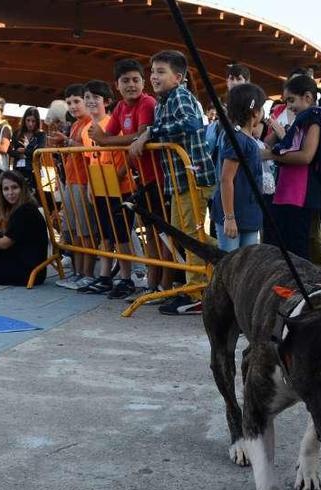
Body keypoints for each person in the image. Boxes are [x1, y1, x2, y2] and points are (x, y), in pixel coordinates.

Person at [129, 50, 217, 316]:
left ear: (178, 77)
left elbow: (190, 123)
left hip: (193, 178)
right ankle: (225, 257)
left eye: (161, 72)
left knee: (189, 234)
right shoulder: (162, 102)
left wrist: (150, 133)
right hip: (178, 182)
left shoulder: (179, 96)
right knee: (184, 233)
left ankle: (197, 291)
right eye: (153, 71)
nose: (154, 76)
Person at [90, 58, 166, 302]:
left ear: (144, 82)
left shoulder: (147, 102)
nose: (131, 85)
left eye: (136, 80)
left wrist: (104, 141)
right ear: (117, 85)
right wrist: (105, 140)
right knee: (150, 234)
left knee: (161, 234)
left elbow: (141, 134)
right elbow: (111, 134)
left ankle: (162, 286)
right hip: (143, 179)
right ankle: (152, 285)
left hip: (159, 178)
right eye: (126, 81)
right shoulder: (121, 107)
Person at [263, 75, 321, 259]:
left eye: (291, 100)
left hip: (300, 193)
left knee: (297, 248)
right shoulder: (301, 120)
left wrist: (271, 154)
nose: (289, 106)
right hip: (285, 191)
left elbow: (306, 156)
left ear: (307, 97)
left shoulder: (314, 120)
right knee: (279, 246)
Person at [78, 79, 138, 299]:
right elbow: (89, 160)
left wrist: (118, 176)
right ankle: (104, 276)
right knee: (105, 234)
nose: (91, 102)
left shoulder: (115, 123)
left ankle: (126, 277)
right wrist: (90, 187)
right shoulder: (86, 130)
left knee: (121, 234)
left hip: (121, 187)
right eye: (88, 98)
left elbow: (129, 155)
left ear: (107, 101)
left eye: (96, 98)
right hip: (100, 186)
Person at [53, 84, 97, 291]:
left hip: (83, 181)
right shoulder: (76, 124)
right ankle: (78, 273)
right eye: (69, 102)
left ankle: (88, 274)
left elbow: (88, 150)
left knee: (85, 231)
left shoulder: (90, 124)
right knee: (74, 232)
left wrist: (68, 142)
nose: (72, 106)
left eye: (76, 101)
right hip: (71, 181)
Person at [214, 83, 266, 251]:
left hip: (248, 213)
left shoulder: (245, 138)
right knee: (231, 264)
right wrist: (229, 217)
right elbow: (226, 179)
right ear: (255, 112)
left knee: (247, 263)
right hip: (234, 214)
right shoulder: (237, 139)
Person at [9, 106, 45, 190]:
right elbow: (10, 151)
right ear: (24, 120)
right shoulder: (17, 133)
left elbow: (39, 152)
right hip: (18, 169)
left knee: (32, 195)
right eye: (28, 120)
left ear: (37, 122)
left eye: (33, 121)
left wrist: (24, 151)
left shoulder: (41, 135)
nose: (30, 123)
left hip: (34, 170)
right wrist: (23, 153)